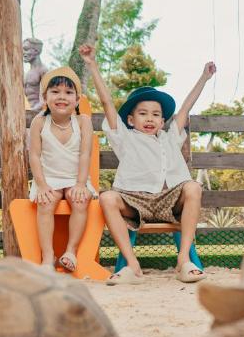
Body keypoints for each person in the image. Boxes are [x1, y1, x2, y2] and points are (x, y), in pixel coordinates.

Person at [79, 43, 212, 284]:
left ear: (162, 121)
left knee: (193, 187)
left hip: (169, 199)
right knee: (107, 198)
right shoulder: (125, 137)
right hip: (135, 200)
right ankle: (132, 266)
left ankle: (184, 260)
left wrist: (204, 77)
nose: (149, 118)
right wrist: (92, 65)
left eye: (155, 114)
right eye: (143, 113)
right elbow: (107, 103)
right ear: (131, 120)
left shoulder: (170, 137)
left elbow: (186, 107)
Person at [27, 66, 96, 272]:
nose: (62, 97)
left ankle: (71, 251)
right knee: (46, 203)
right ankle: (48, 257)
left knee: (80, 200)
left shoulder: (83, 122)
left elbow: (85, 155)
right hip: (49, 178)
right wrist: (41, 185)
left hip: (76, 178)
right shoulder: (39, 122)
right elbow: (34, 155)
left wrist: (81, 184)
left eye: (68, 92)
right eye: (55, 92)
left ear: (77, 99)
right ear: (45, 97)